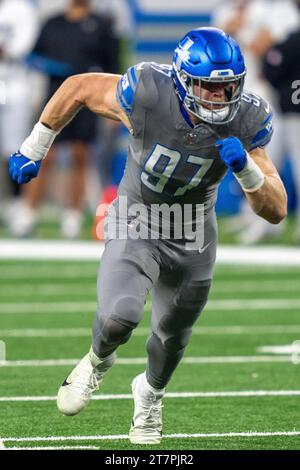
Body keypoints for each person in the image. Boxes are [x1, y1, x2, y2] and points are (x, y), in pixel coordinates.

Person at [9, 27, 287, 445]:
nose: (221, 96)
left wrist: (247, 169)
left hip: (194, 227)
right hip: (138, 215)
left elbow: (276, 210)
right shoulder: (148, 92)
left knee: (172, 336)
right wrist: (35, 146)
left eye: (228, 86)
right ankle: (97, 362)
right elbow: (79, 87)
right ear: (182, 81)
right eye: (209, 88)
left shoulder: (247, 117)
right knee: (118, 316)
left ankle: (150, 396)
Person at [13, 0, 120, 238]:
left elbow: (113, 66)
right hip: (54, 97)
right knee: (43, 154)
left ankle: (72, 214)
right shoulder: (53, 23)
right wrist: (53, 67)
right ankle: (29, 212)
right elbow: (33, 56)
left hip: (89, 101)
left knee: (81, 155)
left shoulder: (102, 25)